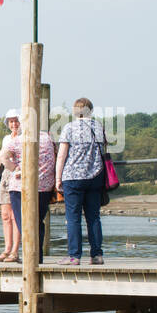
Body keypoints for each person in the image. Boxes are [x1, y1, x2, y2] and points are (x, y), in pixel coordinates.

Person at [55, 97, 107, 265]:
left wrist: (58, 178)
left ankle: (74, 256)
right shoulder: (98, 127)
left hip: (73, 177)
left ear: (75, 111)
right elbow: (103, 149)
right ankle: (97, 255)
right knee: (93, 217)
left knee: (73, 218)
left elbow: (62, 155)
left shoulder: (69, 128)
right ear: (90, 110)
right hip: (95, 176)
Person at [0, 109, 56, 263]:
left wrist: (15, 169)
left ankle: (28, 256)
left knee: (23, 221)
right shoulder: (48, 138)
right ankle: (37, 256)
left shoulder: (18, 141)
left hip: (21, 186)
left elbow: (2, 157)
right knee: (38, 221)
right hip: (45, 186)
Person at [0, 109, 22, 261]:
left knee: (16, 215)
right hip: (5, 176)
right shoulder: (6, 139)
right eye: (11, 121)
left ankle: (15, 251)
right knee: (5, 215)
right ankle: (7, 248)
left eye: (16, 120)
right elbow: (1, 156)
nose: (14, 124)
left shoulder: (24, 137)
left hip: (18, 175)